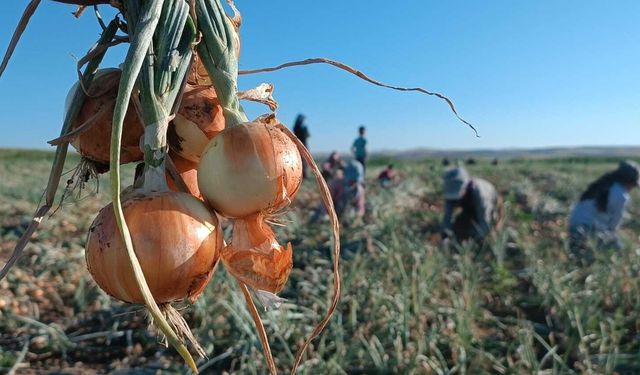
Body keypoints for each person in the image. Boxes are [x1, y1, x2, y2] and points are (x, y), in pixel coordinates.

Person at [568, 160, 640, 263]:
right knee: (618, 250)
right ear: (628, 182)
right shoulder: (621, 196)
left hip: (574, 227)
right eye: (633, 185)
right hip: (587, 231)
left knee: (580, 258)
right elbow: (613, 227)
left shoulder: (603, 185)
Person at [441, 166, 499, 242]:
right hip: (469, 202)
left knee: (488, 223)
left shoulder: (482, 195)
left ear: (466, 186)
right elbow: (447, 216)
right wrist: (445, 234)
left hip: (489, 200)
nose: (454, 200)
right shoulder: (451, 190)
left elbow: (485, 222)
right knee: (460, 224)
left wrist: (475, 240)